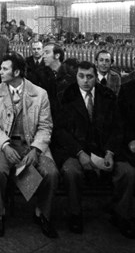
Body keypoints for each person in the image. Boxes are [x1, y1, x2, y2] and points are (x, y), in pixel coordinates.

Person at [54, 61, 135, 238]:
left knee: (128, 172)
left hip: (104, 149)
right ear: (76, 77)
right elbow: (61, 131)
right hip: (76, 150)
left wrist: (110, 152)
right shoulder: (66, 96)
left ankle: (121, 214)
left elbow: (117, 128)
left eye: (89, 76)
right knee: (70, 171)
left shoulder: (107, 95)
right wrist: (79, 153)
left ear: (95, 76)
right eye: (81, 76)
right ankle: (75, 213)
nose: (85, 81)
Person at [0, 52, 59, 239]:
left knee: (51, 172)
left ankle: (42, 214)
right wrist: (4, 146)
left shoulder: (39, 94)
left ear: (17, 72)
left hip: (32, 143)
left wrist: (36, 149)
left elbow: (45, 126)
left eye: (4, 69)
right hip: (6, 144)